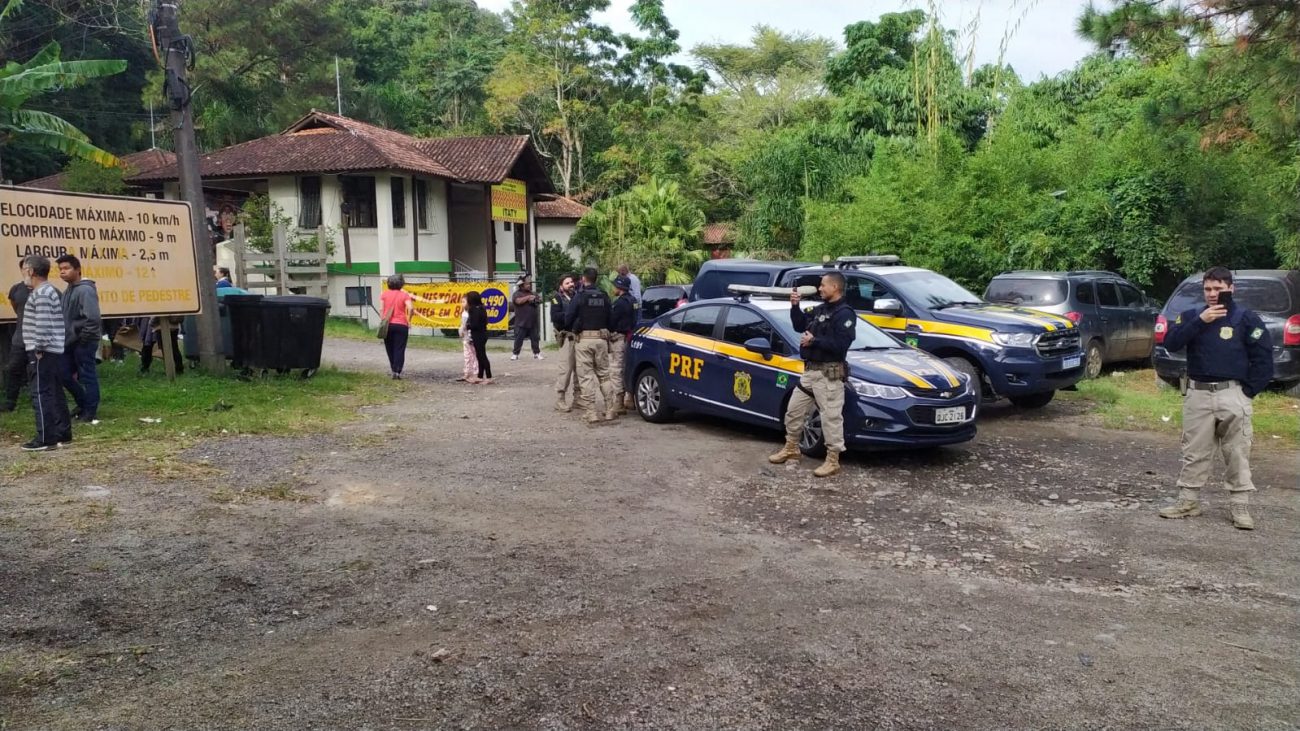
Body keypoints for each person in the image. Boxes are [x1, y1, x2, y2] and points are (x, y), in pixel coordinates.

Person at [1158, 266, 1273, 530]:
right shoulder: (1191, 316)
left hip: (1232, 394)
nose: (1212, 294)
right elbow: (1171, 342)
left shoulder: (1246, 318)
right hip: (1197, 393)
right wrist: (1202, 321)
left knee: (1237, 452)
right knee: (1194, 452)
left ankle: (1240, 507)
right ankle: (1188, 502)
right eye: (1208, 289)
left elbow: (1263, 359)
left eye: (1218, 289)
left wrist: (1247, 392)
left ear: (1231, 289)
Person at [769, 273, 857, 477]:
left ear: (835, 287)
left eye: (823, 285)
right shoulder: (820, 309)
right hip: (810, 372)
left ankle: (832, 460)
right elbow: (800, 325)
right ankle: (791, 448)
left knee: (831, 418)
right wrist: (794, 306)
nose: (819, 288)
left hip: (829, 375)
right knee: (794, 410)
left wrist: (814, 341)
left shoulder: (845, 314)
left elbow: (841, 345)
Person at [20, 255, 72, 451]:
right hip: (52, 350)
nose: (24, 273)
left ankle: (45, 438)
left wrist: (39, 348)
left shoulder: (41, 293)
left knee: (41, 393)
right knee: (54, 391)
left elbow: (42, 324)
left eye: (25, 268)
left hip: (42, 350)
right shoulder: (48, 291)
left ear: (31, 271)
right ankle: (62, 432)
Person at [564, 267, 618, 423]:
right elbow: (612, 319)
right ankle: (609, 410)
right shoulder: (604, 296)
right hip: (601, 340)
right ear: (596, 279)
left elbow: (568, 317)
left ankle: (591, 413)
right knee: (604, 375)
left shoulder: (579, 297)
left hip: (584, 340)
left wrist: (573, 327)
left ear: (583, 279)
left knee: (586, 377)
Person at [55, 255, 101, 423]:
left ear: (78, 269)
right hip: (70, 342)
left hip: (84, 342)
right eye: (60, 270)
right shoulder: (68, 291)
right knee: (63, 374)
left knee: (87, 376)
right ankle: (83, 403)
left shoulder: (85, 290)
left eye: (66, 268)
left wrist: (83, 338)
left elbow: (93, 318)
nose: (62, 272)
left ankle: (90, 411)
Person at [1, 261, 32, 412]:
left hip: (39, 339)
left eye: (30, 268)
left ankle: (40, 399)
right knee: (13, 368)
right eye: (25, 268)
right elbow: (15, 307)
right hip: (20, 338)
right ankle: (10, 402)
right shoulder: (16, 289)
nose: (28, 271)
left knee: (39, 371)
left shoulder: (44, 289)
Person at [550, 273, 582, 411]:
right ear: (561, 285)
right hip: (566, 337)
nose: (571, 284)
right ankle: (560, 399)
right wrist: (570, 314)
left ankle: (578, 398)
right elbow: (555, 317)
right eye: (567, 283)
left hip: (578, 336)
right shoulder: (557, 298)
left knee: (579, 369)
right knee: (566, 369)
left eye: (572, 282)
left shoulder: (577, 296)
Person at [609, 275, 637, 413]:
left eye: (614, 286)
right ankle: (630, 399)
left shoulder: (619, 303)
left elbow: (612, 321)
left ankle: (618, 403)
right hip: (631, 338)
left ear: (619, 288)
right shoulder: (633, 300)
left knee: (616, 370)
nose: (613, 288)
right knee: (628, 367)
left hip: (619, 338)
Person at [379, 274, 414, 380]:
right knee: (399, 348)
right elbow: (411, 308)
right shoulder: (404, 295)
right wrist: (409, 320)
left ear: (389, 283)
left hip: (388, 325)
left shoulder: (384, 294)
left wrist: (383, 319)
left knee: (389, 347)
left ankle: (393, 368)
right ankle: (397, 371)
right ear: (401, 284)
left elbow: (381, 309)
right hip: (401, 325)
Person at [510, 278, 543, 361]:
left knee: (535, 338)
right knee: (518, 339)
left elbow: (539, 300)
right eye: (527, 284)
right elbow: (518, 301)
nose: (529, 285)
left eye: (529, 284)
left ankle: (537, 353)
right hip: (521, 321)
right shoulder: (516, 294)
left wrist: (536, 299)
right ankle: (515, 354)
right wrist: (528, 298)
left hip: (532, 321)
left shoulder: (533, 293)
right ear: (521, 286)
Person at [466, 291, 493, 384]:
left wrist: (467, 326)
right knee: (479, 355)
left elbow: (475, 324)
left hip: (478, 334)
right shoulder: (481, 308)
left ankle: (489, 377)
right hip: (482, 334)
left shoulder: (474, 310)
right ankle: (480, 376)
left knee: (482, 356)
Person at [458, 292, 480, 383]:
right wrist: (461, 332)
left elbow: (472, 326)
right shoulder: (463, 313)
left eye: (464, 302)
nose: (462, 304)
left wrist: (470, 337)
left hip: (471, 338)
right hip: (465, 338)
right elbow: (462, 325)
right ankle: (467, 373)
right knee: (467, 355)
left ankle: (476, 373)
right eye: (461, 302)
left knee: (474, 355)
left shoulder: (472, 313)